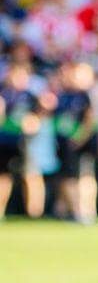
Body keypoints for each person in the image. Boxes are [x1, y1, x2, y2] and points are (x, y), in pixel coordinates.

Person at [52, 58, 98, 224]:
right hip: (68, 144)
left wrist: (80, 137)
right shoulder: (65, 95)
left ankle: (86, 211)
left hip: (83, 143)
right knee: (70, 177)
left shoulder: (89, 94)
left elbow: (91, 119)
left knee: (85, 176)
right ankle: (74, 210)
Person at [0, 58, 48, 218]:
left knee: (31, 175)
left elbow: (40, 116)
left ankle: (35, 213)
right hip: (5, 141)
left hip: (26, 142)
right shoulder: (4, 94)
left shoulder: (31, 96)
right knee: (3, 177)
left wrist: (34, 122)